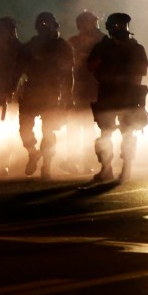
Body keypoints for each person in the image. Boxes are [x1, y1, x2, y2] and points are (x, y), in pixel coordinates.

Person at [87, 13, 148, 182]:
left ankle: (126, 168)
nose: (120, 29)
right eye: (117, 26)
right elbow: (91, 67)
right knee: (105, 134)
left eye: (122, 26)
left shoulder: (136, 48)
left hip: (127, 95)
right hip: (108, 94)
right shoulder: (102, 47)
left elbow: (140, 73)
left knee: (127, 133)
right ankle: (106, 168)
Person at [17, 12, 74, 179]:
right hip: (31, 91)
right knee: (24, 128)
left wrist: (68, 95)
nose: (44, 27)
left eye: (47, 24)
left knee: (49, 131)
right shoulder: (30, 45)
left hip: (52, 92)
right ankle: (33, 152)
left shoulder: (62, 46)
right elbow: (18, 68)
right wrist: (11, 88)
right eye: (41, 24)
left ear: (54, 26)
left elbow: (68, 73)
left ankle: (47, 166)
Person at [64, 10, 105, 174]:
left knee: (89, 126)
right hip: (79, 88)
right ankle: (73, 160)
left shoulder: (102, 41)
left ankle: (88, 161)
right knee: (74, 126)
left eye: (92, 22)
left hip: (96, 88)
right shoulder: (73, 42)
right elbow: (66, 67)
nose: (91, 26)